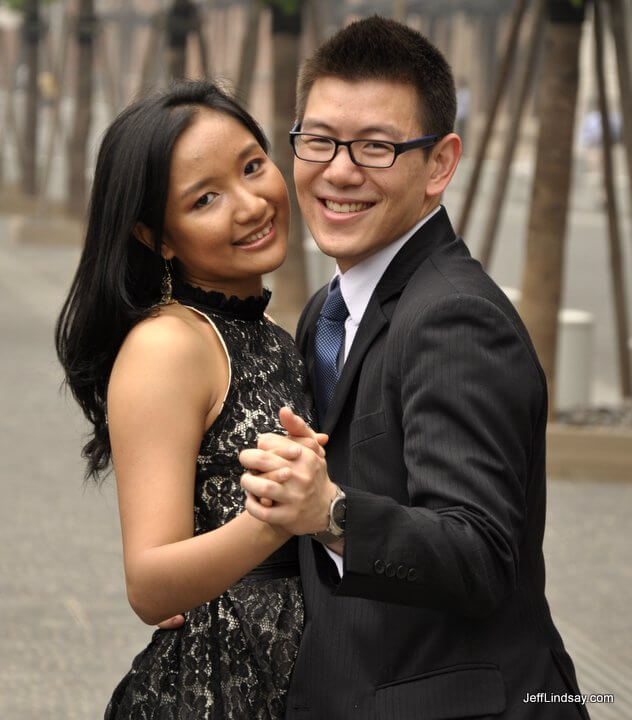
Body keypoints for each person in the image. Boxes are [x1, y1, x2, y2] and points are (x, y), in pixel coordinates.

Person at [238, 16, 590, 720]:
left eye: (376, 146)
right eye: (320, 140)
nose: (339, 170)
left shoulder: (456, 319)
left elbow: (480, 553)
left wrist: (332, 514)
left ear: (440, 164)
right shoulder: (328, 309)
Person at [55, 80, 319, 719]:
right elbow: (149, 584)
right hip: (215, 692)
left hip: (300, 680)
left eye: (253, 166)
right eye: (206, 198)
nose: (252, 203)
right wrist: (272, 521)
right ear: (158, 237)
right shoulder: (169, 345)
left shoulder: (274, 338)